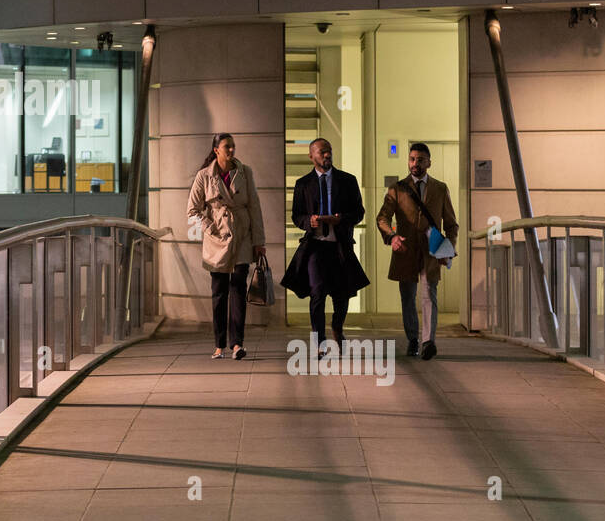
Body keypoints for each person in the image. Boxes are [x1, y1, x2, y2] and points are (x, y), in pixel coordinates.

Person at [281, 138, 370, 358]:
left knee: (342, 294)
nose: (327, 155)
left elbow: (359, 212)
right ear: (311, 156)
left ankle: (337, 329)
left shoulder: (348, 181)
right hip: (315, 247)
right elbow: (296, 215)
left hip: (339, 245)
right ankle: (319, 341)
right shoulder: (303, 183)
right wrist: (308, 221)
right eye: (322, 152)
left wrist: (341, 219)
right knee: (317, 292)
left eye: (329, 151)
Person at [186, 133, 266, 360]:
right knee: (219, 292)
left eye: (233, 146)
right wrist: (210, 227)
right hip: (217, 239)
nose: (231, 150)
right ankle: (219, 344)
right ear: (216, 150)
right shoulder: (204, 176)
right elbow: (192, 211)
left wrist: (259, 241)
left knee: (238, 289)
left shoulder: (245, 172)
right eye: (226, 147)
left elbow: (255, 208)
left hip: (241, 235)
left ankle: (237, 344)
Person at [376, 142, 459, 360]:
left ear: (429, 163)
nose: (415, 163)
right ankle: (413, 338)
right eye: (412, 159)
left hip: (431, 251)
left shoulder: (440, 189)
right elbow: (382, 217)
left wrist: (448, 248)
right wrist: (392, 237)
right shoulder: (397, 188)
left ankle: (428, 341)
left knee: (429, 295)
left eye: (420, 160)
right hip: (405, 250)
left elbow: (451, 223)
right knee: (407, 297)